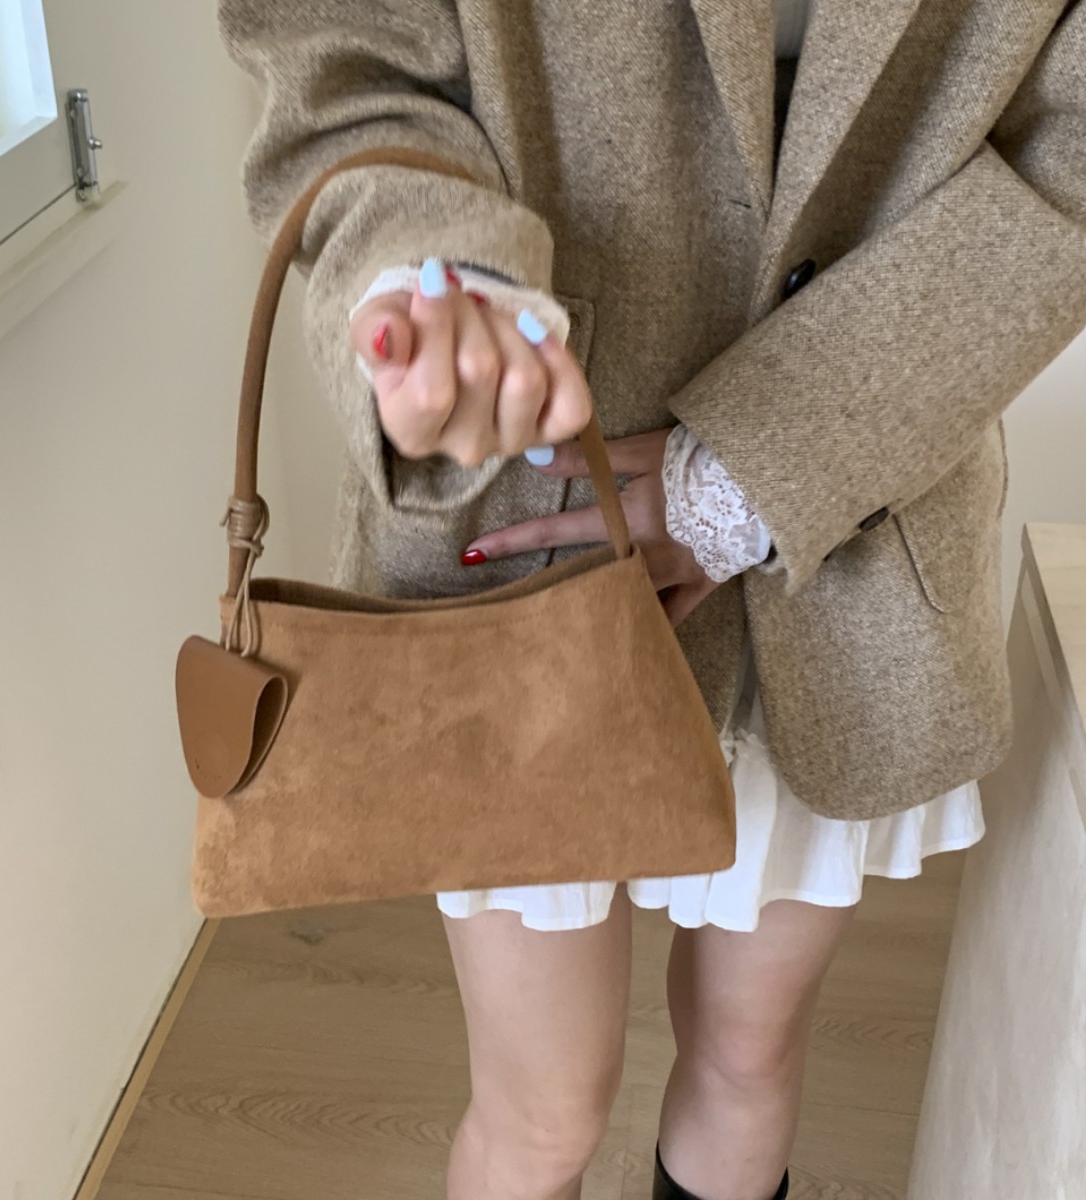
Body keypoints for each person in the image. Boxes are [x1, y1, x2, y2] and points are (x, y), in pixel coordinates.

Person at [218, 1, 1086, 1197]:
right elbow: (345, 59)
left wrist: (761, 471)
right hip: (525, 531)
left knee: (748, 1052)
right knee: (543, 1110)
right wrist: (438, 276)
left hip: (854, 513)